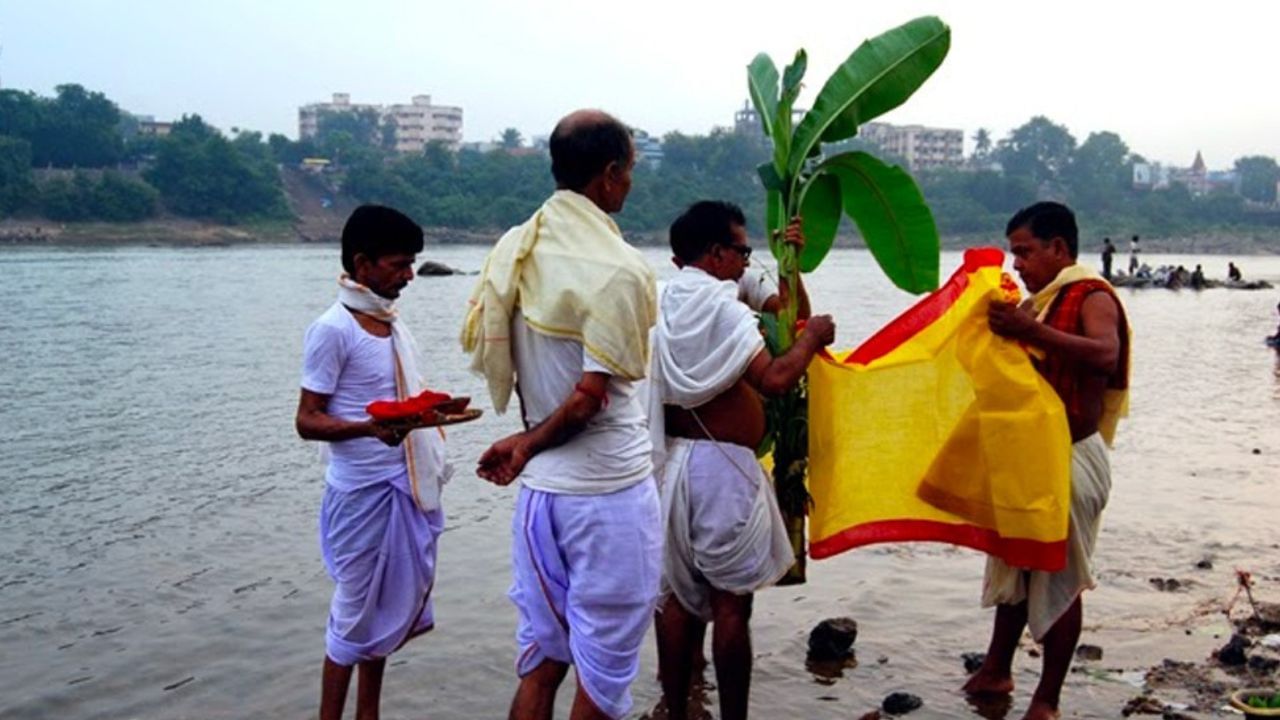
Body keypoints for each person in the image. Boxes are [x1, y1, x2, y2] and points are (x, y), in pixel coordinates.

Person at [462, 109, 661, 720]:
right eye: (628, 173)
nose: (629, 185)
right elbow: (587, 397)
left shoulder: (515, 249)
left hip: (540, 504)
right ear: (608, 176)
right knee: (603, 679)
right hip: (608, 499)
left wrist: (527, 443)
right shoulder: (617, 267)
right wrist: (525, 444)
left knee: (543, 663)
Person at [649, 201, 835, 720]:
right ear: (715, 254)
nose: (745, 260)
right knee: (732, 603)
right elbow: (776, 376)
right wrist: (815, 339)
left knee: (676, 600)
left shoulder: (658, 299)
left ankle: (676, 706)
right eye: (742, 250)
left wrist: (788, 261)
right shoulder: (723, 307)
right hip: (721, 474)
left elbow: (784, 309)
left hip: (669, 467)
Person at [966, 201, 1130, 720]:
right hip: (1030, 458)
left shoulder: (1090, 294)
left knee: (1057, 577)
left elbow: (1105, 354)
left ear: (1059, 248)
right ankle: (996, 670)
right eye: (1014, 253)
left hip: (1072, 455)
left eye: (1026, 252)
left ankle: (1047, 700)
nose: (1018, 264)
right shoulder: (1037, 303)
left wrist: (1028, 332)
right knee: (1015, 565)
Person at [296, 205, 451, 720]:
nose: (410, 275)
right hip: (361, 496)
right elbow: (307, 419)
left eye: (412, 264)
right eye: (400, 264)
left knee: (383, 613)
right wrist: (369, 429)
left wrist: (431, 414)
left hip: (402, 488)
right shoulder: (332, 329)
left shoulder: (392, 324)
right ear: (362, 265)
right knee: (352, 615)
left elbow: (400, 399)